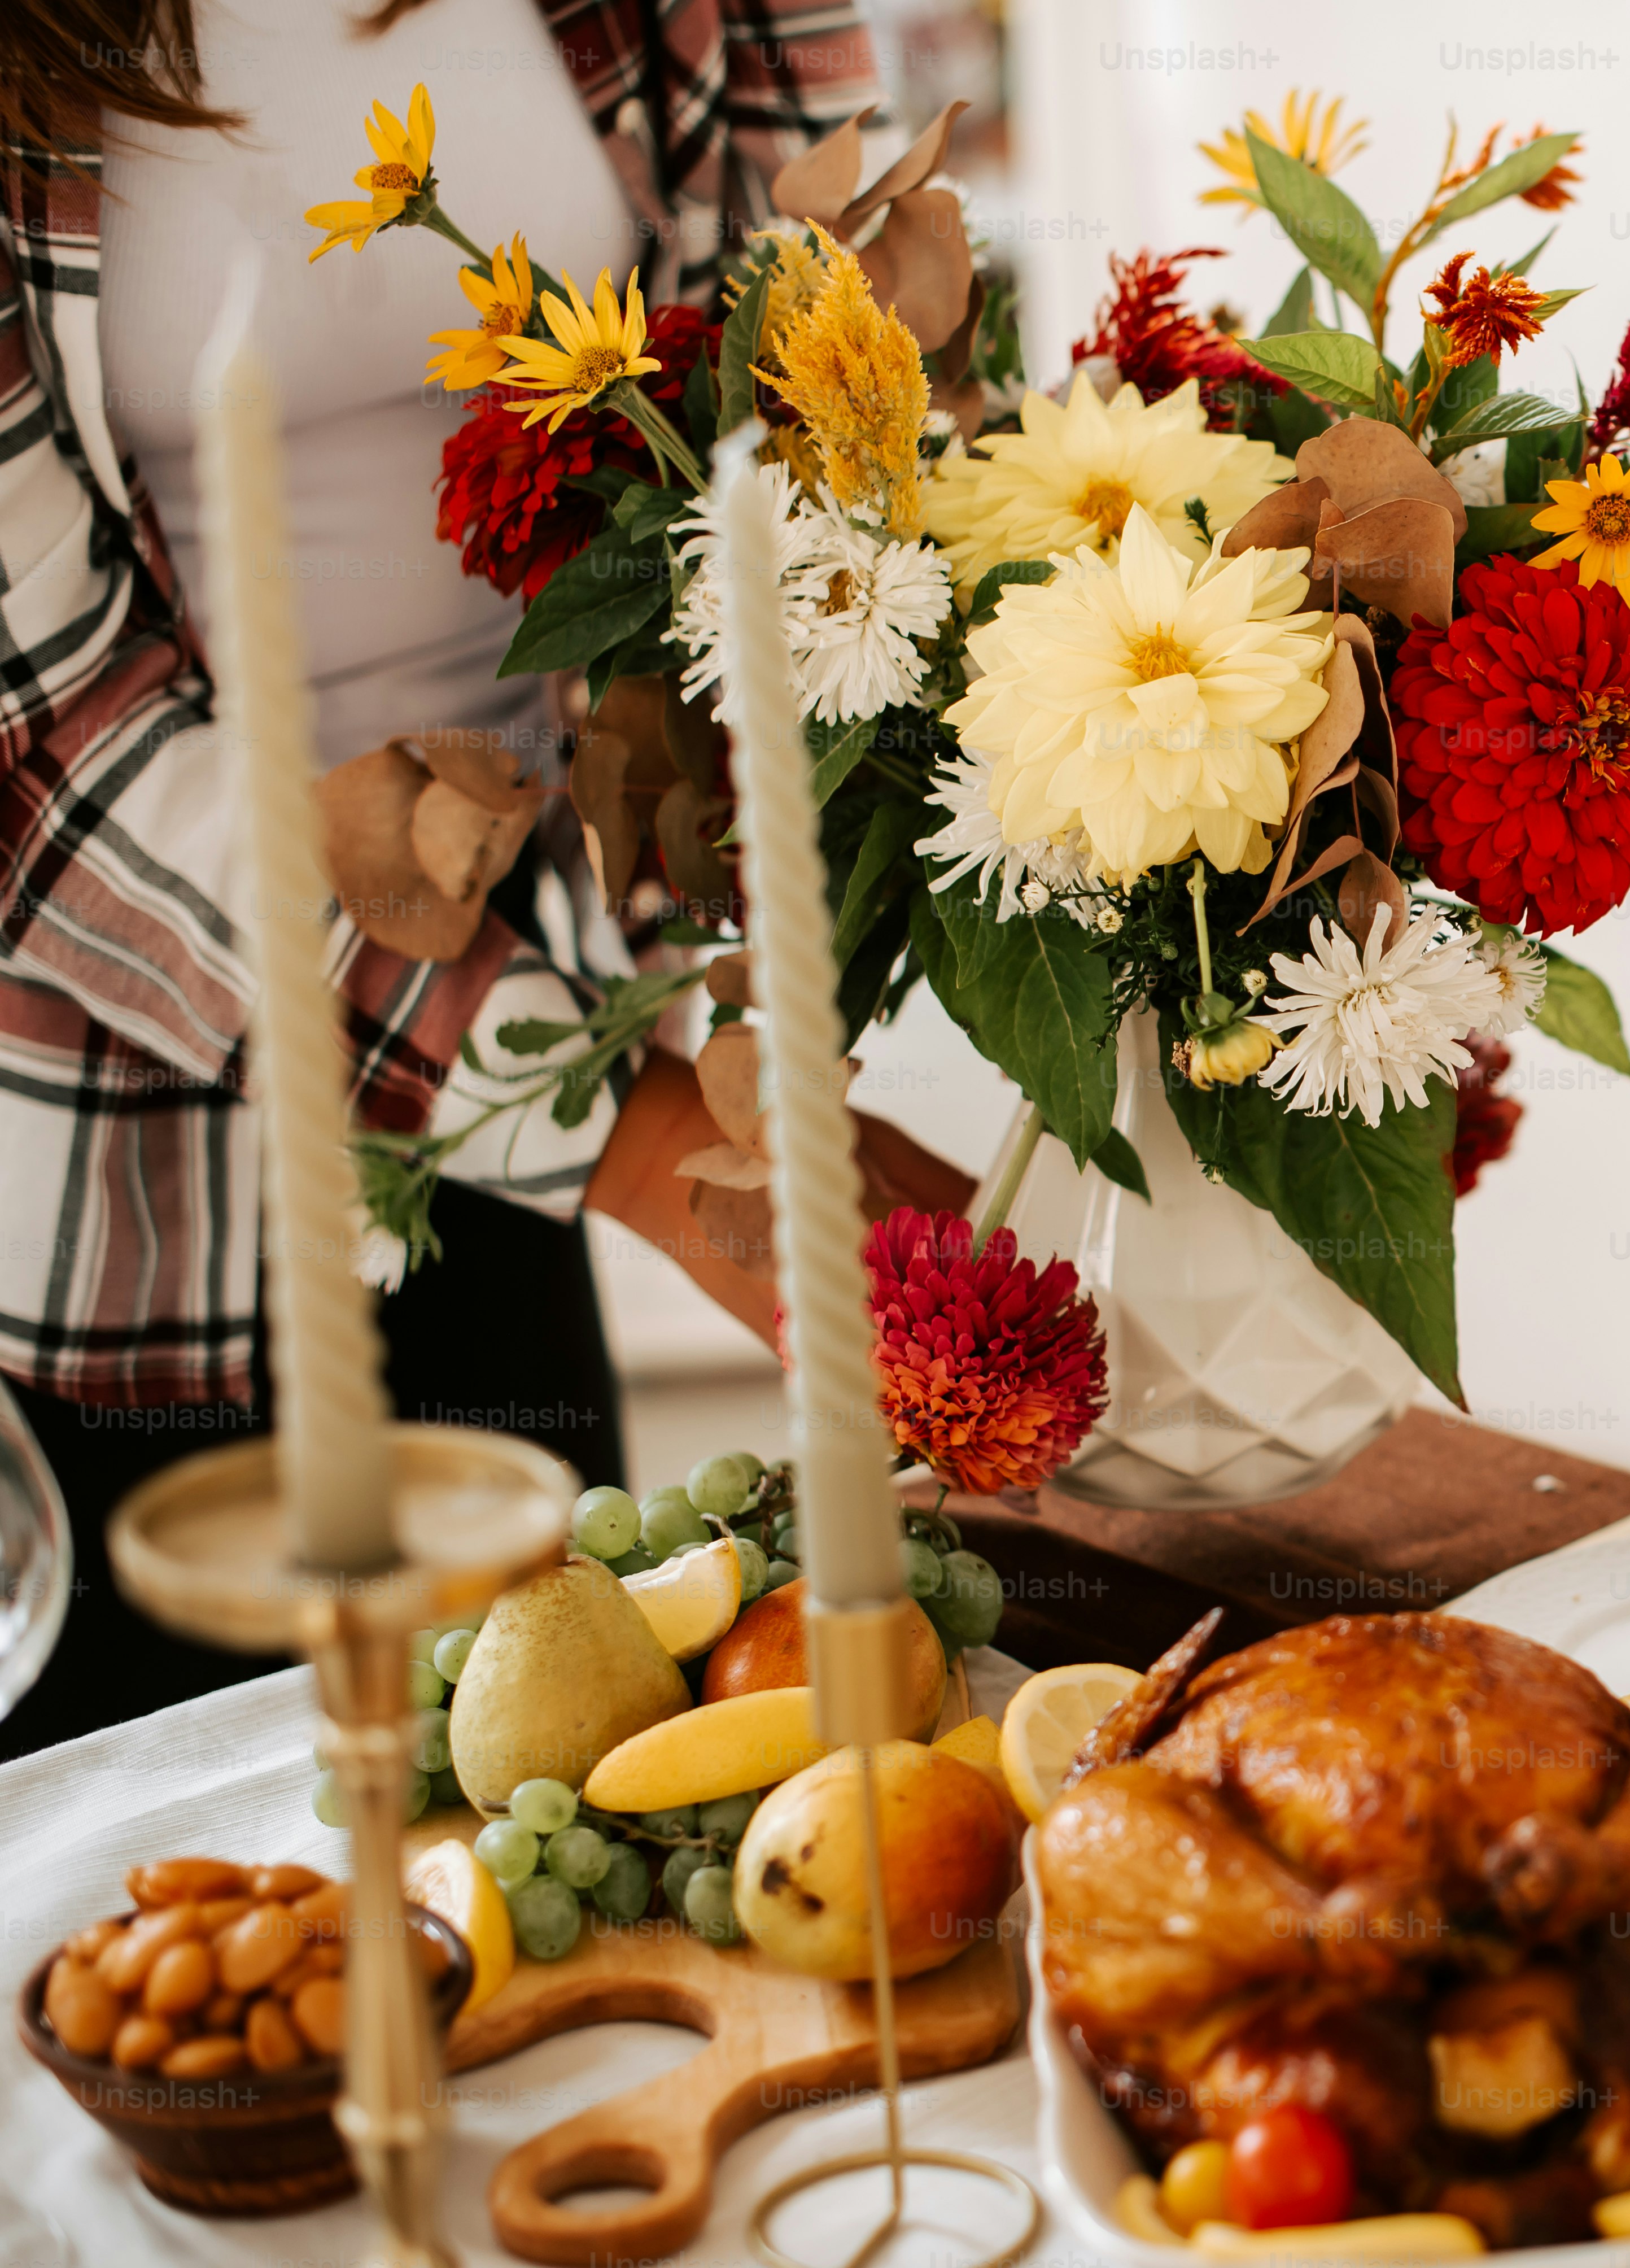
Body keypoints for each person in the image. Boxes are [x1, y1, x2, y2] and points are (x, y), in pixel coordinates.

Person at [0, 0, 963, 1756]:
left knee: (534, 1846)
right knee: (171, 1935)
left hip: (523, 1116)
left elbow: (836, 424)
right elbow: (41, 754)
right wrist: (654, 1143)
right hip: (115, 1195)